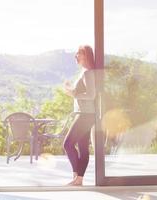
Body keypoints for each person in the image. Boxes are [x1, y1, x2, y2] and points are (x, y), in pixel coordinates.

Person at [63, 45, 96, 186]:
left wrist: (73, 93)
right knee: (82, 148)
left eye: (78, 53)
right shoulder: (84, 72)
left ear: (85, 55)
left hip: (85, 115)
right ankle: (78, 179)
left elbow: (91, 94)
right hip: (85, 114)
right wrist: (71, 90)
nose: (75, 56)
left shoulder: (88, 73)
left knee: (67, 144)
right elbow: (81, 93)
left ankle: (77, 175)